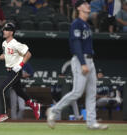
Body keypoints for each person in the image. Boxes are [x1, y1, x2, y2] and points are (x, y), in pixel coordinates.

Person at [46, 0, 108, 130]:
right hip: (81, 60)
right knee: (77, 92)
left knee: (92, 93)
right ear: (79, 8)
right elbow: (76, 45)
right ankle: (54, 110)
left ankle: (91, 123)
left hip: (90, 60)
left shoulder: (86, 24)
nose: (88, 5)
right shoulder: (76, 24)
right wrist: (83, 63)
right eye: (85, 4)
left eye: (88, 4)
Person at [0, 21, 41, 122]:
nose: (4, 31)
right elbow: (6, 56)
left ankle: (4, 114)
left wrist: (20, 65)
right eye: (4, 30)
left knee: (1, 89)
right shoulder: (4, 43)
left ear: (11, 32)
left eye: (6, 30)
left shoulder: (15, 43)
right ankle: (34, 105)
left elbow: (28, 54)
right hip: (9, 71)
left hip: (16, 71)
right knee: (19, 92)